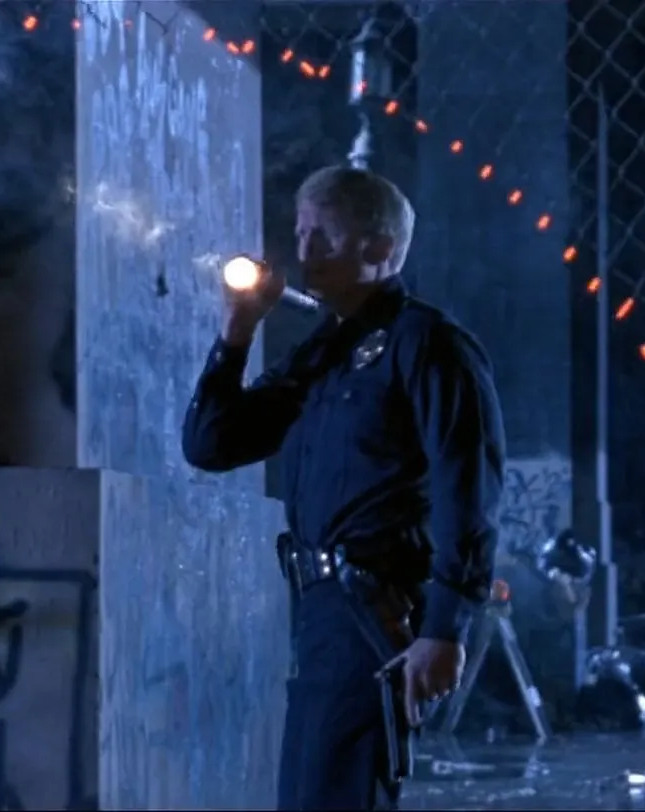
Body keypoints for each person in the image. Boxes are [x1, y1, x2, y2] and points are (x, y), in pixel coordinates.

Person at [182, 165, 506, 810]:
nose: (305, 253)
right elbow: (212, 445)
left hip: (375, 608)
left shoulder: (427, 344)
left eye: (324, 236)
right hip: (319, 611)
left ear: (379, 247)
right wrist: (237, 334)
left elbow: (467, 488)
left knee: (340, 793)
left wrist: (445, 627)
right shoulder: (322, 353)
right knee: (309, 794)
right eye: (301, 233)